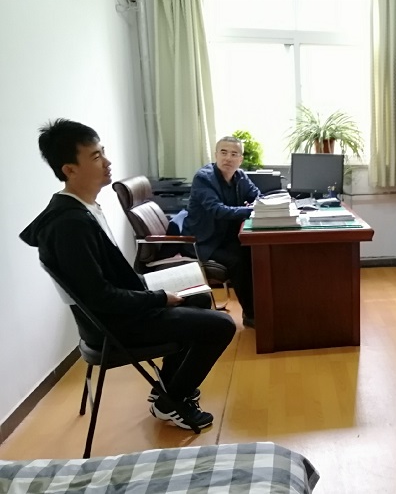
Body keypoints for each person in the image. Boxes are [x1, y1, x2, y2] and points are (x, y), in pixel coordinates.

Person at [20, 119, 236, 430]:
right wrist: (158, 298)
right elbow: (100, 297)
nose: (107, 162)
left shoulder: (81, 209)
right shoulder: (70, 225)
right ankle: (170, 402)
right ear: (70, 169)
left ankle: (168, 389)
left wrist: (156, 293)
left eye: (103, 152)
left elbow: (104, 283)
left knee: (200, 297)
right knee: (222, 325)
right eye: (96, 156)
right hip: (114, 326)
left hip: (118, 311)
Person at [182, 137, 260, 327]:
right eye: (223, 153)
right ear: (215, 155)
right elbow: (218, 210)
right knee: (238, 260)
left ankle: (263, 307)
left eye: (234, 154)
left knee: (258, 253)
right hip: (204, 241)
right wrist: (251, 210)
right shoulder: (204, 178)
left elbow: (257, 196)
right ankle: (251, 314)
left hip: (227, 237)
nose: (228, 158)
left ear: (240, 159)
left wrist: (258, 204)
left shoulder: (240, 176)